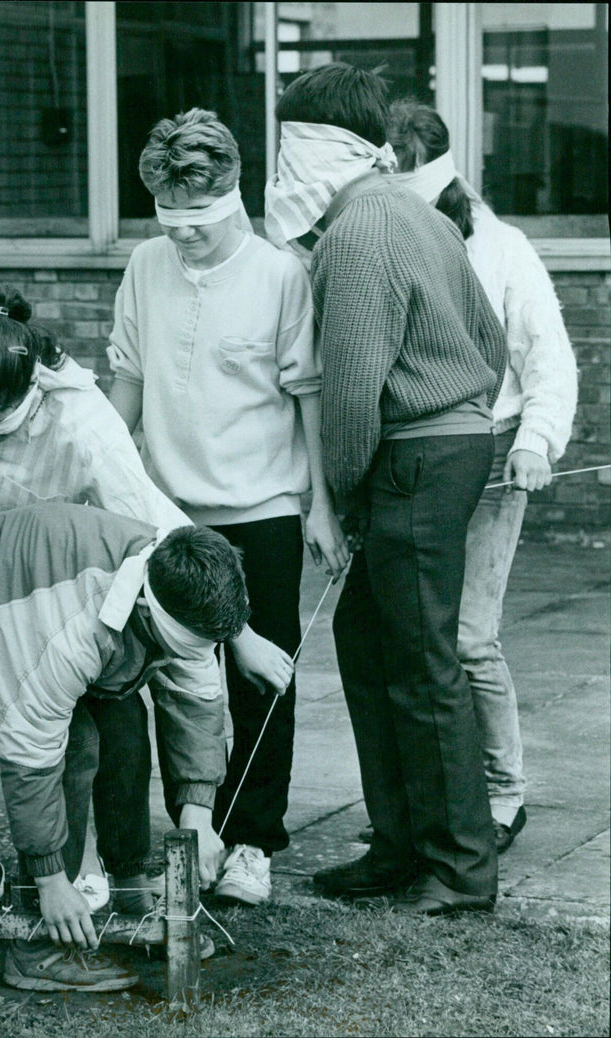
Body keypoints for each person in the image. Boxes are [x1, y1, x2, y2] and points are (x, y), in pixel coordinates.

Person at [0, 284, 292, 913]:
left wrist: (239, 632)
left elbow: (153, 522)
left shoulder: (88, 423)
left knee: (76, 704)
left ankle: (82, 860)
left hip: (46, 536)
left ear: (33, 393)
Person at [265, 63, 508, 915]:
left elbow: (352, 391)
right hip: (449, 445)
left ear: (313, 150)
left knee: (421, 664)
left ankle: (460, 868)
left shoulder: (359, 233)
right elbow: (490, 337)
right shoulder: (413, 211)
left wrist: (341, 494)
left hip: (410, 458)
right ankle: (400, 844)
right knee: (372, 652)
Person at [107, 108, 348, 907]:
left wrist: (316, 506)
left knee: (260, 680)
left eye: (198, 224)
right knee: (169, 677)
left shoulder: (281, 275)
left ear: (235, 199)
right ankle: (182, 829)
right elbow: (130, 382)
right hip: (169, 509)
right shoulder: (145, 265)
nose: (183, 238)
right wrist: (106, 466)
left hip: (263, 510)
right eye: (170, 223)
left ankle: (251, 841)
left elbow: (308, 394)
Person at [0, 503, 245, 990]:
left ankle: (132, 885)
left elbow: (197, 703)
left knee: (126, 723)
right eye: (180, 647)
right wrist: (50, 876)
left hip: (61, 578)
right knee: (76, 742)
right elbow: (30, 749)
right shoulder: (68, 632)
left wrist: (198, 810)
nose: (190, 659)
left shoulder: (185, 591)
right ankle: (37, 942)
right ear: (143, 612)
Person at [386, 99, 578, 852]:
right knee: (410, 639)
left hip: (492, 451)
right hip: (407, 457)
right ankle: (430, 797)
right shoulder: (376, 239)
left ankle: (503, 795)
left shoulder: (501, 246)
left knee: (467, 637)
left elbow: (549, 357)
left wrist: (536, 442)